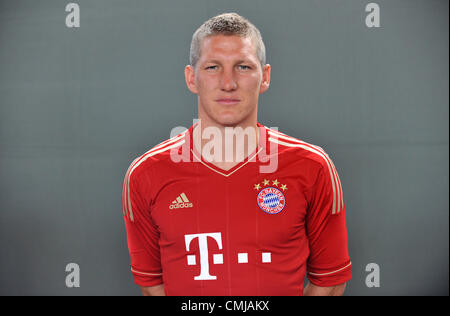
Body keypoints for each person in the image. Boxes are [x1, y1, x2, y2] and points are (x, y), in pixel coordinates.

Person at [122, 12, 351, 296]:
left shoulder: (312, 167)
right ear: (191, 78)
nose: (228, 83)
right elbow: (152, 284)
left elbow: (329, 281)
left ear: (264, 77)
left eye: (243, 67)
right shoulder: (146, 173)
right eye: (213, 67)